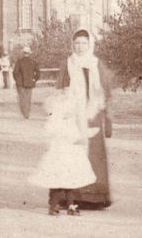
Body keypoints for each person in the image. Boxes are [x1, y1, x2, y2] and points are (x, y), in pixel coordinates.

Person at [48, 29, 113, 212]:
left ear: (90, 44)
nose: (80, 47)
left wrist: (100, 108)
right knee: (71, 153)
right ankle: (71, 196)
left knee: (93, 152)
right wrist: (61, 111)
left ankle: (93, 196)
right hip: (72, 114)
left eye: (84, 43)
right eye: (76, 43)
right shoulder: (68, 63)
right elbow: (60, 88)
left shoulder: (96, 63)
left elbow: (104, 90)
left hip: (92, 113)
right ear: (72, 44)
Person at [29, 88, 98, 216]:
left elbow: (77, 133)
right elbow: (57, 133)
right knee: (58, 181)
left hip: (72, 155)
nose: (70, 113)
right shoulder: (56, 121)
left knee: (71, 181)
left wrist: (85, 135)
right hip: (59, 155)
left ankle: (71, 205)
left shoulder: (70, 122)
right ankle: (54, 205)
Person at [13, 46, 41, 119]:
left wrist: (17, 80)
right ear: (29, 53)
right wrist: (34, 79)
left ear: (23, 53)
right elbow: (38, 73)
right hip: (29, 83)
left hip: (20, 84)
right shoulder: (33, 61)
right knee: (28, 99)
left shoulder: (19, 61)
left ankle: (24, 113)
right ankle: (27, 114)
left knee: (22, 99)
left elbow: (15, 72)